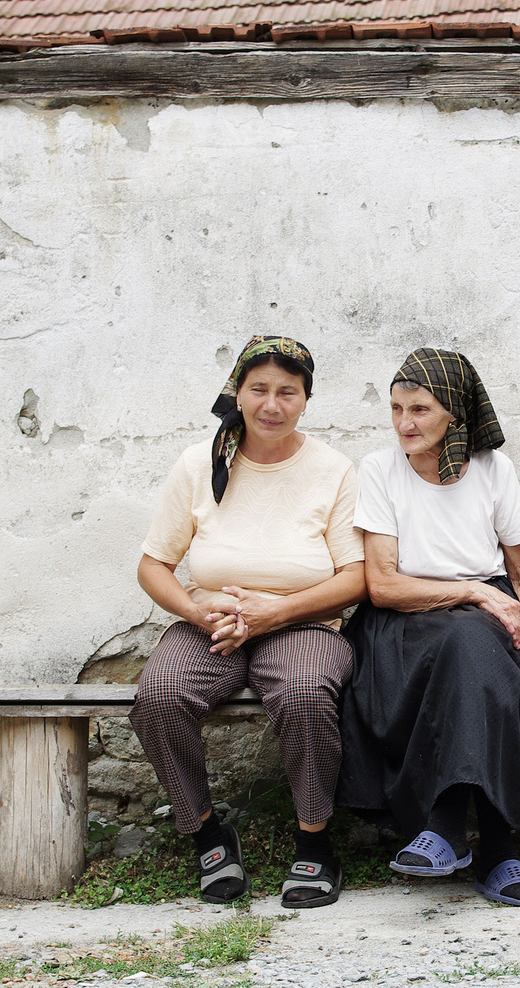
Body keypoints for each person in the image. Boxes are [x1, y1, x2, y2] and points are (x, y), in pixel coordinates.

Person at [338, 348, 520, 907]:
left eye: (421, 409)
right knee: (469, 642)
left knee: (500, 661)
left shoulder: (494, 470)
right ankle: (498, 849)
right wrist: (476, 591)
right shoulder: (381, 470)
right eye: (397, 408)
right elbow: (383, 584)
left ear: (454, 411)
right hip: (405, 619)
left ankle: (449, 830)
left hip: (488, 614)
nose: (405, 423)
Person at [131, 336, 365, 908]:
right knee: (159, 694)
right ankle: (207, 831)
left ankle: (314, 840)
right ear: (238, 392)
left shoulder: (332, 469)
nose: (272, 404)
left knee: (308, 692)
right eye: (258, 389)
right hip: (210, 620)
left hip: (303, 621)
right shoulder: (197, 464)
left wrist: (273, 612)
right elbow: (153, 565)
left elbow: (355, 577)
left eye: (288, 391)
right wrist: (193, 609)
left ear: (306, 399)